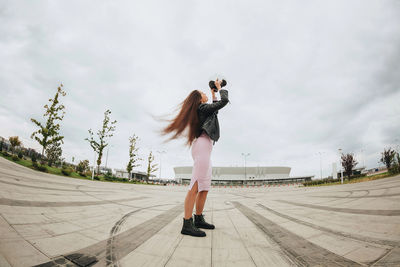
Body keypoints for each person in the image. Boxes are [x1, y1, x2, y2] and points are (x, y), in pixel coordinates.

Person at [161, 79, 229, 237]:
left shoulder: (204, 109)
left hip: (205, 148)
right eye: (203, 93)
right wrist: (219, 89)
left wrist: (213, 94)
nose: (205, 93)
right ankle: (187, 223)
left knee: (204, 187)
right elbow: (223, 102)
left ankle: (198, 219)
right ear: (199, 99)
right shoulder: (202, 107)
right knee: (195, 186)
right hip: (202, 148)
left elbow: (215, 110)